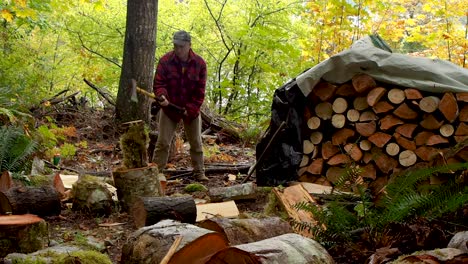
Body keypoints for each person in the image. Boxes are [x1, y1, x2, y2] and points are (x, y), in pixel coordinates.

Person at [152, 30, 208, 181]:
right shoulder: (165, 61)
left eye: (181, 46)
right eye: (176, 46)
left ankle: (199, 172)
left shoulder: (200, 64)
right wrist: (162, 96)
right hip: (169, 109)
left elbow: (199, 92)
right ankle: (156, 173)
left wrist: (190, 110)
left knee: (196, 142)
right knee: (163, 141)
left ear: (189, 45)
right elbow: (158, 84)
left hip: (191, 111)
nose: (178, 49)